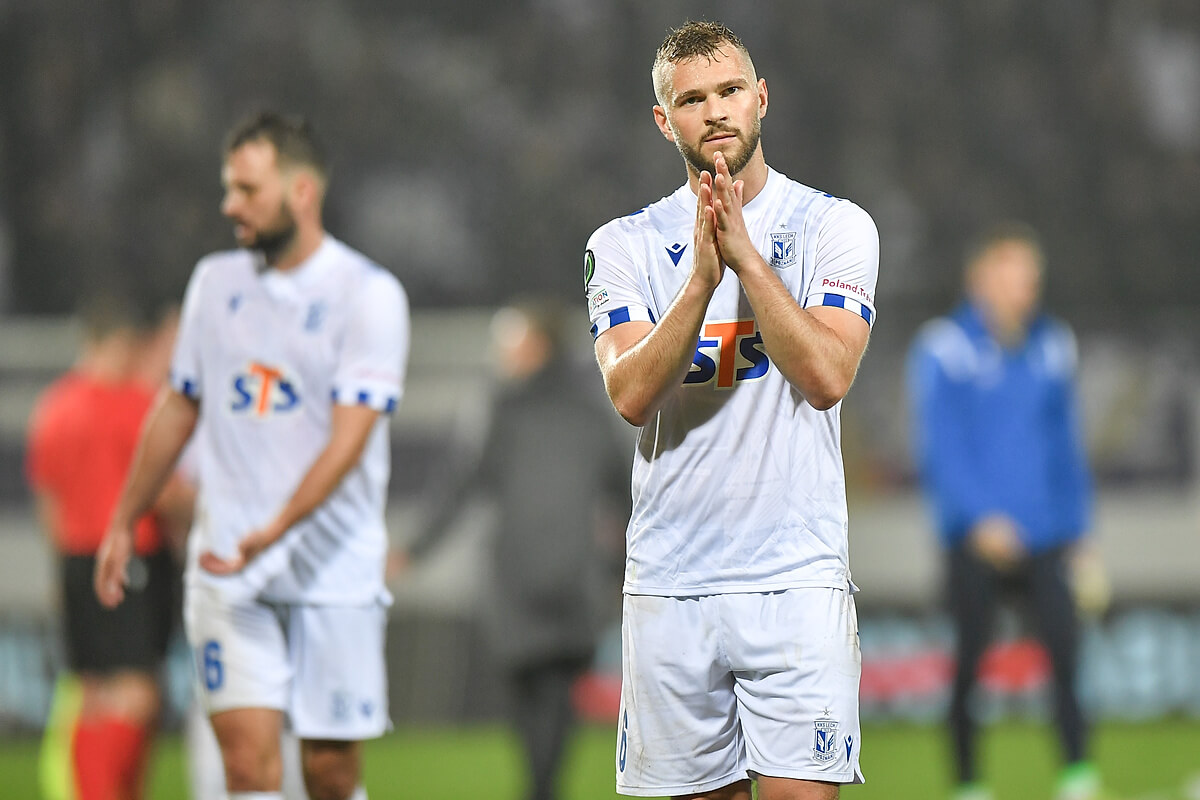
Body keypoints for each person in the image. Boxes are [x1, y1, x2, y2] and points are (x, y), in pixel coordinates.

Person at [584, 20, 879, 800]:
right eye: (691, 99)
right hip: (670, 584)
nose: (714, 111)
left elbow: (825, 375)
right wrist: (698, 283)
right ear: (664, 119)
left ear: (761, 99)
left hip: (795, 580)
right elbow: (630, 393)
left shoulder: (834, 226)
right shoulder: (623, 245)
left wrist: (746, 259)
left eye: (729, 91)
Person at [94, 111, 410, 800]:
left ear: (301, 192)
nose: (229, 205)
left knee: (327, 773)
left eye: (247, 189)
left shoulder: (368, 295)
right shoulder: (215, 283)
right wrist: (124, 518)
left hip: (331, 573)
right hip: (227, 570)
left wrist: (276, 526)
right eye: (228, 188)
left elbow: (349, 440)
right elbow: (179, 405)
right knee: (247, 771)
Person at [401, 298, 629, 800]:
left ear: (538, 346)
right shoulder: (592, 411)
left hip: (517, 577)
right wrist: (627, 567)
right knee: (556, 693)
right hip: (575, 577)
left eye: (510, 341)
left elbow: (459, 489)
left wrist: (413, 551)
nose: (500, 353)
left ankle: (539, 789)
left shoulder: (499, 411)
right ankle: (544, 788)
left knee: (529, 692)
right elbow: (628, 496)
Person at [906, 222, 1102, 800]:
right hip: (974, 539)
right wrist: (975, 519)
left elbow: (1066, 445)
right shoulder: (944, 348)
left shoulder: (1052, 345)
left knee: (1066, 656)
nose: (1027, 289)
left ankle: (1078, 776)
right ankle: (969, 783)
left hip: (1045, 535)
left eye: (1032, 278)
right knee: (969, 664)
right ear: (981, 279)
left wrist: (1079, 529)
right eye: (1015, 276)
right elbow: (941, 449)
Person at [27, 295, 192, 800]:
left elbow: (47, 499)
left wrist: (61, 569)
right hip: (131, 561)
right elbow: (164, 493)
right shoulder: (133, 405)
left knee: (95, 692)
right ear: (117, 344)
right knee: (137, 694)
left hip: (76, 561)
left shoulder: (53, 406)